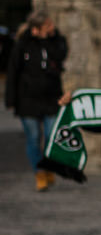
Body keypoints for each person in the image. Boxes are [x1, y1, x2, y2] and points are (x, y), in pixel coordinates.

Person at [7, 11, 66, 192]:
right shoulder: (22, 46)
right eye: (47, 25)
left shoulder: (54, 43)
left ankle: (48, 166)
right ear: (36, 29)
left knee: (51, 136)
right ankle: (39, 172)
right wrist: (11, 99)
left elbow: (62, 55)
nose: (52, 27)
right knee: (33, 138)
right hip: (28, 101)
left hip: (50, 98)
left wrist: (53, 37)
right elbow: (13, 72)